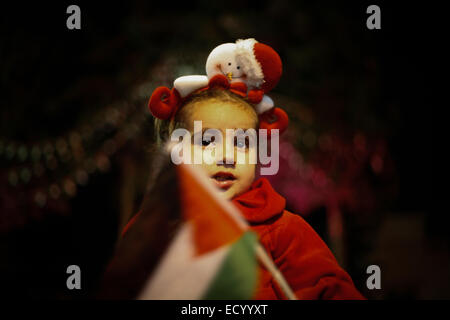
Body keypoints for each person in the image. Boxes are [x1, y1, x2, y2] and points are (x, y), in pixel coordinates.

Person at [123, 39, 365, 300]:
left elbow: (331, 290)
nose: (227, 156)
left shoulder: (283, 230)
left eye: (242, 143)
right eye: (207, 141)